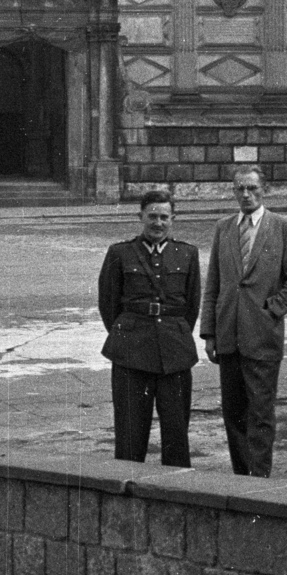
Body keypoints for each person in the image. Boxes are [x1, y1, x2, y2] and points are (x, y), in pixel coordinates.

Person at [200, 166, 287, 478]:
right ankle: (241, 476)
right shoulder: (223, 228)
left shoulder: (285, 227)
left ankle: (259, 477)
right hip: (227, 335)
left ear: (265, 190)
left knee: (260, 412)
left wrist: (270, 310)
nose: (245, 195)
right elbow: (214, 284)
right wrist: (209, 332)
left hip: (262, 336)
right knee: (232, 411)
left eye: (252, 188)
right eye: (239, 189)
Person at [98, 188, 201, 467]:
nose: (158, 223)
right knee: (130, 432)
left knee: (176, 432)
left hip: (175, 352)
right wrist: (128, 333)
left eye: (164, 217)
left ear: (173, 219)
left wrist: (173, 334)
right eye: (152, 216)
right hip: (131, 352)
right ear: (141, 217)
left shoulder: (187, 254)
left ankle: (178, 492)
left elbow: (191, 306)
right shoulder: (120, 253)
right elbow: (108, 304)